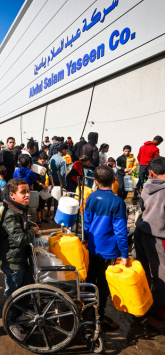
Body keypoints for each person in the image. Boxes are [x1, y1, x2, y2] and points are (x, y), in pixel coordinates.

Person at [84, 165, 129, 331]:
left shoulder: (91, 197)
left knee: (91, 276)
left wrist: (87, 239)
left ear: (95, 181)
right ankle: (100, 317)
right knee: (103, 284)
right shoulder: (118, 202)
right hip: (108, 249)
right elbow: (120, 230)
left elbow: (86, 223)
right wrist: (124, 253)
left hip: (93, 245)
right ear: (114, 180)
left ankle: (87, 309)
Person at [134, 157, 165, 334]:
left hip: (141, 230)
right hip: (159, 237)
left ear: (151, 173)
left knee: (143, 272)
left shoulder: (146, 185)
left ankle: (141, 305)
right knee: (161, 277)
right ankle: (157, 318)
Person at [0, 178, 37, 303]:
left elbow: (20, 225)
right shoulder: (11, 213)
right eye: (23, 192)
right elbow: (19, 240)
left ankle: (20, 312)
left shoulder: (19, 208)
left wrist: (29, 225)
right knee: (13, 293)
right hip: (12, 261)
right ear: (12, 195)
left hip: (19, 257)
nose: (27, 195)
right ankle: (10, 318)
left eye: (28, 191)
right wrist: (33, 231)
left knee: (24, 287)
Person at [133, 135, 163, 200]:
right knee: (149, 180)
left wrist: (141, 163)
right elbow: (156, 159)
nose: (158, 144)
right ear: (158, 142)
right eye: (159, 143)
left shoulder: (142, 147)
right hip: (150, 167)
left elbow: (138, 156)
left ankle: (135, 195)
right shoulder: (155, 149)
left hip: (142, 166)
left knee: (140, 180)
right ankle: (147, 196)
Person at [50, 143, 68, 215]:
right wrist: (64, 186)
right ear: (63, 150)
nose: (67, 152)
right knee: (58, 198)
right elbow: (62, 175)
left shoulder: (53, 157)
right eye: (66, 150)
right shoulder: (63, 160)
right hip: (58, 181)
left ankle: (50, 212)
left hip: (51, 180)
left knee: (52, 196)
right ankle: (56, 213)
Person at [33, 152, 50, 225]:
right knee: (38, 203)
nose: (43, 163)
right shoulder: (35, 165)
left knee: (43, 202)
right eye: (42, 161)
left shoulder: (46, 165)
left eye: (45, 161)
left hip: (44, 186)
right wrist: (40, 184)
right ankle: (39, 219)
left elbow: (49, 174)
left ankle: (43, 218)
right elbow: (33, 178)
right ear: (39, 159)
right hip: (37, 186)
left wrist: (50, 184)